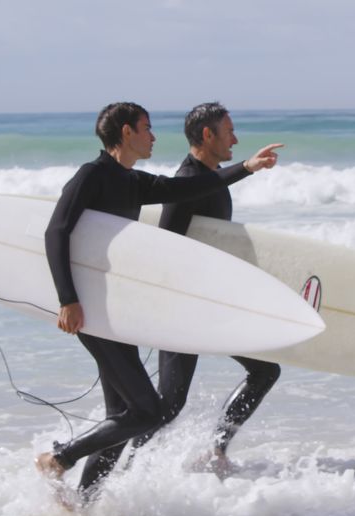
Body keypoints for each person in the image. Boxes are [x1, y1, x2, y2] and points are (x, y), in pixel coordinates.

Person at [35, 102, 282, 493]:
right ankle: (58, 458)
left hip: (114, 309)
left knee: (122, 415)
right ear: (127, 132)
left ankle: (82, 505)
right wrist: (68, 299)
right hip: (90, 309)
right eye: (147, 128)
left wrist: (246, 168)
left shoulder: (132, 182)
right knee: (148, 411)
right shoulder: (91, 176)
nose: (154, 136)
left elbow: (187, 187)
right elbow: (56, 232)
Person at [134, 102, 282, 478]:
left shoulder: (207, 177)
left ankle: (216, 451)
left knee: (264, 371)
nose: (235, 138)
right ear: (207, 135)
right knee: (167, 406)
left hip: (210, 302)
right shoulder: (187, 179)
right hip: (184, 307)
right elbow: (165, 244)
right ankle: (122, 466)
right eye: (228, 130)